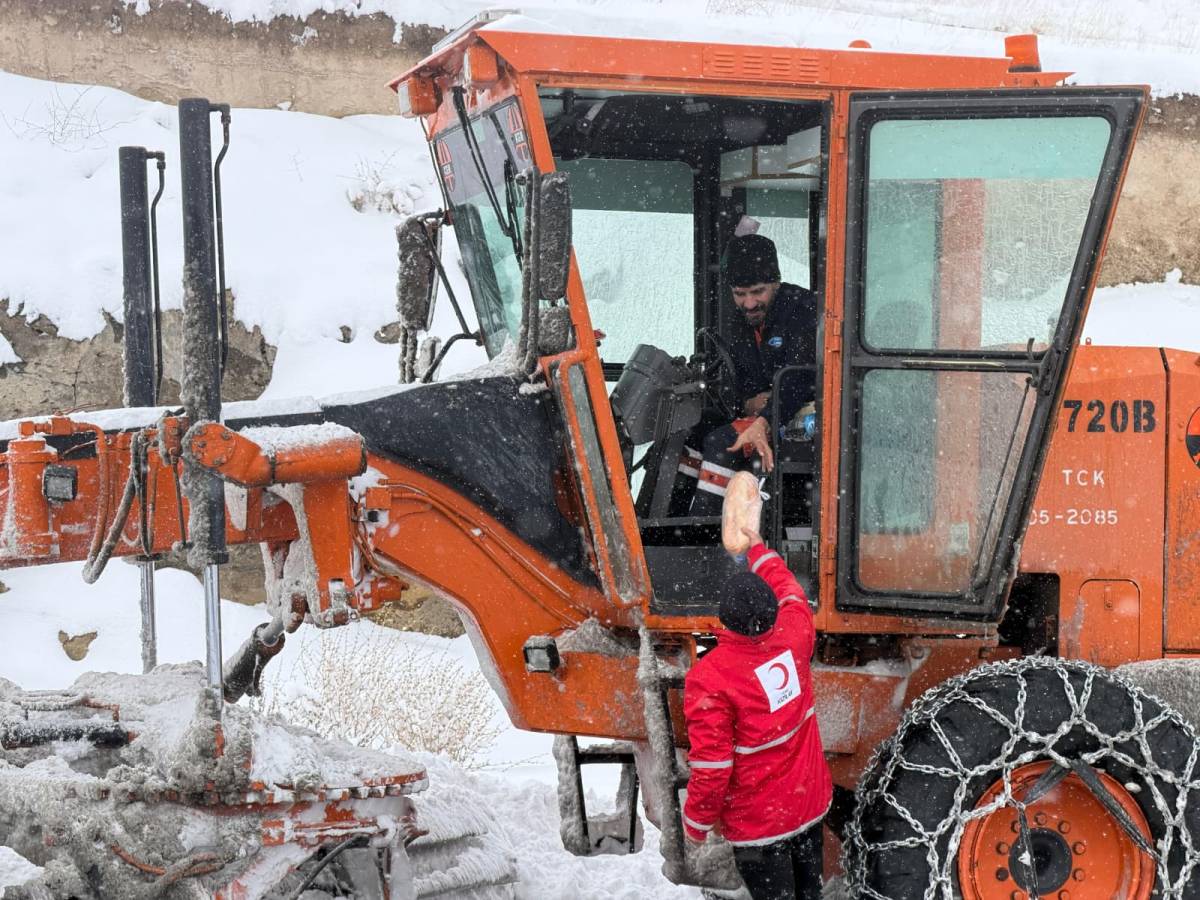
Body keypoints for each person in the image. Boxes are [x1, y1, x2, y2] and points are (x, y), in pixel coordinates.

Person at [682, 528, 832, 900]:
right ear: (772, 612)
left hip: (759, 828)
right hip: (808, 805)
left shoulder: (710, 678)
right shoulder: (796, 632)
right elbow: (790, 589)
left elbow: (713, 768)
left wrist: (695, 824)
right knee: (809, 894)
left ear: (725, 622)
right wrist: (758, 548)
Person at [676, 233, 818, 517]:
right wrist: (747, 403)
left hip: (800, 415)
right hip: (764, 412)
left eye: (758, 292)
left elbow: (798, 379)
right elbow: (743, 380)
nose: (750, 303)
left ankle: (707, 531)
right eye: (740, 294)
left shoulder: (802, 310)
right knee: (691, 431)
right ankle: (673, 526)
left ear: (776, 282)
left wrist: (766, 417)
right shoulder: (741, 321)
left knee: (722, 443)